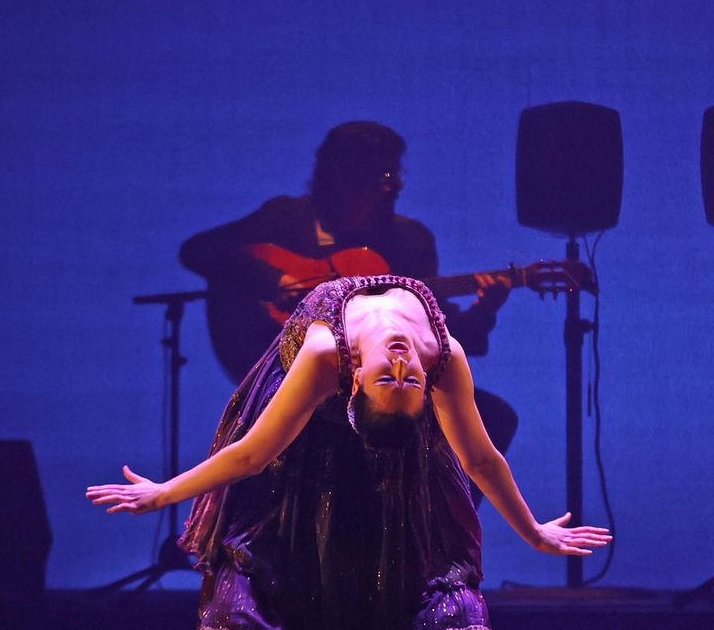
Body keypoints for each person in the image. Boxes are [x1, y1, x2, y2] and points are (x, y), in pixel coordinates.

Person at [88, 273, 609, 630]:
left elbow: (480, 459)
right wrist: (164, 493)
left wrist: (534, 532)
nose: (402, 365)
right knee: (288, 556)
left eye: (400, 381)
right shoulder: (395, 355)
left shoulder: (384, 359)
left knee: (397, 563)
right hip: (301, 436)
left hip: (338, 425)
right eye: (403, 380)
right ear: (357, 381)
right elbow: (252, 456)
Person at [179, 120, 519, 457]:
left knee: (494, 418)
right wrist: (275, 280)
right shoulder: (285, 218)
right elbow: (198, 250)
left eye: (392, 177)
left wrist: (485, 308)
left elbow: (434, 338)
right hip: (284, 369)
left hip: (371, 383)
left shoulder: (409, 241)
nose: (390, 189)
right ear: (338, 180)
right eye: (377, 178)